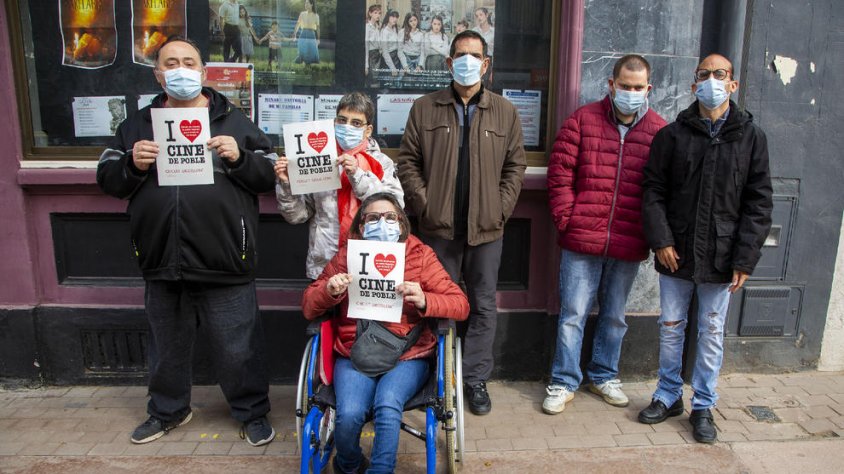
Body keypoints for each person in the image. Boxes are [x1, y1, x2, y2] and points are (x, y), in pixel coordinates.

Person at [96, 37, 277, 447]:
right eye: (171, 62)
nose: (181, 69)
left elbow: (269, 175)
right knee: (167, 347)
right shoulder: (137, 124)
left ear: (203, 71)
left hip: (226, 255)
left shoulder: (233, 119)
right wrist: (131, 164)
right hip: (163, 256)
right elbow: (107, 179)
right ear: (158, 74)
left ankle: (252, 413)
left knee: (239, 347)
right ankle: (167, 411)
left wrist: (240, 158)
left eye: (189, 62)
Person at [638, 54, 773, 444]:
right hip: (676, 252)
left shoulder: (751, 137)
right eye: (704, 75)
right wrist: (661, 239)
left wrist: (745, 257)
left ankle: (703, 404)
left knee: (711, 331)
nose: (711, 81)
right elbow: (654, 191)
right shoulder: (672, 136)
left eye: (720, 75)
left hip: (723, 254)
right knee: (670, 328)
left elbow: (758, 202)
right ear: (693, 83)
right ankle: (667, 395)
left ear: (733, 84)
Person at [397, 30, 526, 416]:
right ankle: (439, 378)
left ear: (486, 65)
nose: (467, 61)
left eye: (475, 55)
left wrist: (498, 209)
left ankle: (473, 380)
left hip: (486, 231)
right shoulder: (425, 107)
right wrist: (426, 205)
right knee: (436, 304)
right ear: (449, 62)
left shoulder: (505, 111)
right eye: (460, 55)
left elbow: (515, 167)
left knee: (483, 305)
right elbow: (407, 162)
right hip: (438, 231)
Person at [302, 192, 470, 474]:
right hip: (354, 350)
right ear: (362, 224)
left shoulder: (420, 255)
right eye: (374, 218)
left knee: (387, 405)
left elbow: (461, 304)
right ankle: (349, 464)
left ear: (402, 223)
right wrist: (329, 292)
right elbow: (308, 305)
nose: (383, 223)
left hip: (407, 353)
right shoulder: (348, 255)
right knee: (350, 414)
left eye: (391, 217)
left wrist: (426, 299)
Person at [542, 55, 667, 415]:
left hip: (627, 241)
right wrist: (567, 219)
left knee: (614, 316)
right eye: (624, 86)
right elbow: (560, 173)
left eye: (637, 87)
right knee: (573, 314)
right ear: (611, 84)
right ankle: (564, 380)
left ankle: (603, 375)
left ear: (648, 89)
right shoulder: (583, 120)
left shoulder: (659, 131)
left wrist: (648, 233)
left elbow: (661, 189)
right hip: (582, 238)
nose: (630, 92)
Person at [274, 92, 404, 280]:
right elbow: (297, 216)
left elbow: (396, 206)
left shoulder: (381, 163)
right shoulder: (318, 160)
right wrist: (286, 184)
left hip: (370, 264)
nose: (347, 127)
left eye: (356, 123)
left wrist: (357, 175)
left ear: (368, 130)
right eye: (342, 120)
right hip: (325, 264)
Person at [293, 0, 320, 64]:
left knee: (311, 52)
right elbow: (297, 24)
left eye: (307, 3)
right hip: (303, 33)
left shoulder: (316, 16)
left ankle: (308, 65)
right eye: (305, 3)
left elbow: (318, 28)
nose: (306, 5)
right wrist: (294, 34)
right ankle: (299, 62)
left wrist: (318, 39)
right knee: (301, 51)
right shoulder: (302, 14)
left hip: (311, 34)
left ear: (312, 4)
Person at [379, 10, 401, 77]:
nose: (395, 19)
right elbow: (385, 52)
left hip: (396, 58)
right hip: (388, 60)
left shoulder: (395, 28)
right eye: (393, 16)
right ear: (388, 17)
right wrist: (392, 68)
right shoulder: (384, 31)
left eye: (396, 17)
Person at [365, 4, 383, 79]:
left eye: (379, 13)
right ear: (370, 13)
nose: (378, 15)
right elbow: (366, 46)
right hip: (371, 56)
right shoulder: (367, 27)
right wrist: (366, 65)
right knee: (372, 80)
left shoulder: (378, 27)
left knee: (377, 79)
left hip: (378, 55)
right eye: (375, 13)